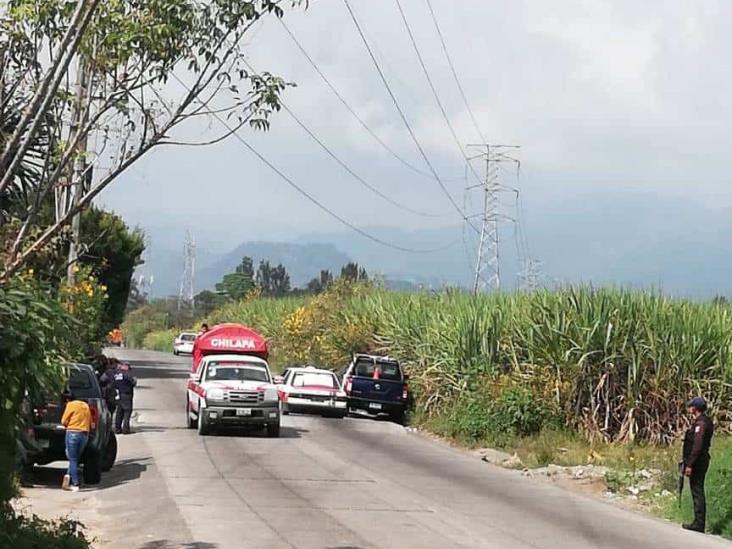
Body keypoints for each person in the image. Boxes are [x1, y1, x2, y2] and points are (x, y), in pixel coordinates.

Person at [682, 396, 714, 533]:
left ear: (694, 408)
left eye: (691, 407)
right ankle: (698, 521)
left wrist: (690, 464)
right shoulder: (703, 422)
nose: (689, 409)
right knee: (697, 490)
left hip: (698, 461)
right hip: (699, 460)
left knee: (697, 490)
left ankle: (699, 523)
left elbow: (698, 445)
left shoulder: (701, 424)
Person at [60, 391, 92, 492]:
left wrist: (68, 424)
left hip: (73, 433)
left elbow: (63, 421)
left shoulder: (70, 405)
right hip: (84, 435)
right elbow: (90, 422)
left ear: (67, 400)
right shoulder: (85, 405)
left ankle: (75, 483)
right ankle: (67, 479)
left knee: (72, 458)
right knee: (75, 459)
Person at [113, 362, 137, 434]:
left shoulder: (117, 374)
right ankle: (126, 429)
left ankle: (117, 429)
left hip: (119, 394)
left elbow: (114, 383)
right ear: (126, 367)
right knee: (127, 412)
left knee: (119, 412)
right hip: (127, 395)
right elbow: (133, 382)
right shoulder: (127, 374)